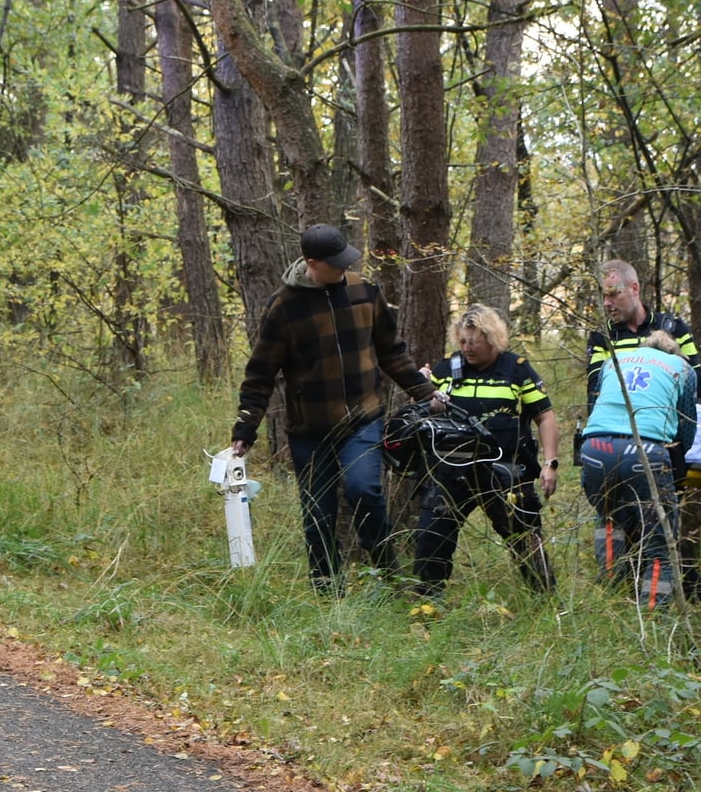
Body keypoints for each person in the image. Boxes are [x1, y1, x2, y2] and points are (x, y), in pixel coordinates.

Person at [230, 224, 440, 593]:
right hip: (309, 428)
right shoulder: (283, 307)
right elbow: (261, 373)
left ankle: (388, 576)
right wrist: (246, 428)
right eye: (335, 264)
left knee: (364, 490)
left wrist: (424, 392)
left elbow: (391, 350)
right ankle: (328, 590)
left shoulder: (363, 292)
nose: (344, 270)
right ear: (312, 263)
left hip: (363, 419)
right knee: (318, 514)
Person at [409, 304, 560, 598]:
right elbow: (423, 413)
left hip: (505, 471)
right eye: (462, 341)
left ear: (492, 339)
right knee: (431, 536)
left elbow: (546, 416)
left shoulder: (517, 369)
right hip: (452, 469)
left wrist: (549, 463)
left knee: (524, 536)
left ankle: (546, 600)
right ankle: (427, 602)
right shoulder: (446, 369)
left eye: (474, 342)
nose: (467, 349)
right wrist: (426, 393)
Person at [576, 330, 701, 606]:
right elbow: (686, 424)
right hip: (645, 450)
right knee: (661, 542)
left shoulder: (616, 360)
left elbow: (599, 402)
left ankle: (612, 595)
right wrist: (679, 457)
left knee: (610, 520)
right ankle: (654, 611)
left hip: (595, 446)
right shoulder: (682, 368)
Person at [585, 260, 701, 413]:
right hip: (618, 425)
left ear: (634, 288)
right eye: (603, 296)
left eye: (613, 294)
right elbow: (595, 395)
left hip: (666, 426)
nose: (606, 303)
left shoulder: (674, 328)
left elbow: (698, 389)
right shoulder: (602, 337)